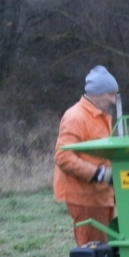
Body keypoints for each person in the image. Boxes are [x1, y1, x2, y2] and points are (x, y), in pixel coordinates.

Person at [53, 65, 118, 246]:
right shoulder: (76, 117)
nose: (113, 101)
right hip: (84, 196)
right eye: (110, 95)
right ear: (96, 94)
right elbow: (63, 157)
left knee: (104, 244)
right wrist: (99, 174)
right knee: (93, 249)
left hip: (100, 195)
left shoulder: (100, 116)